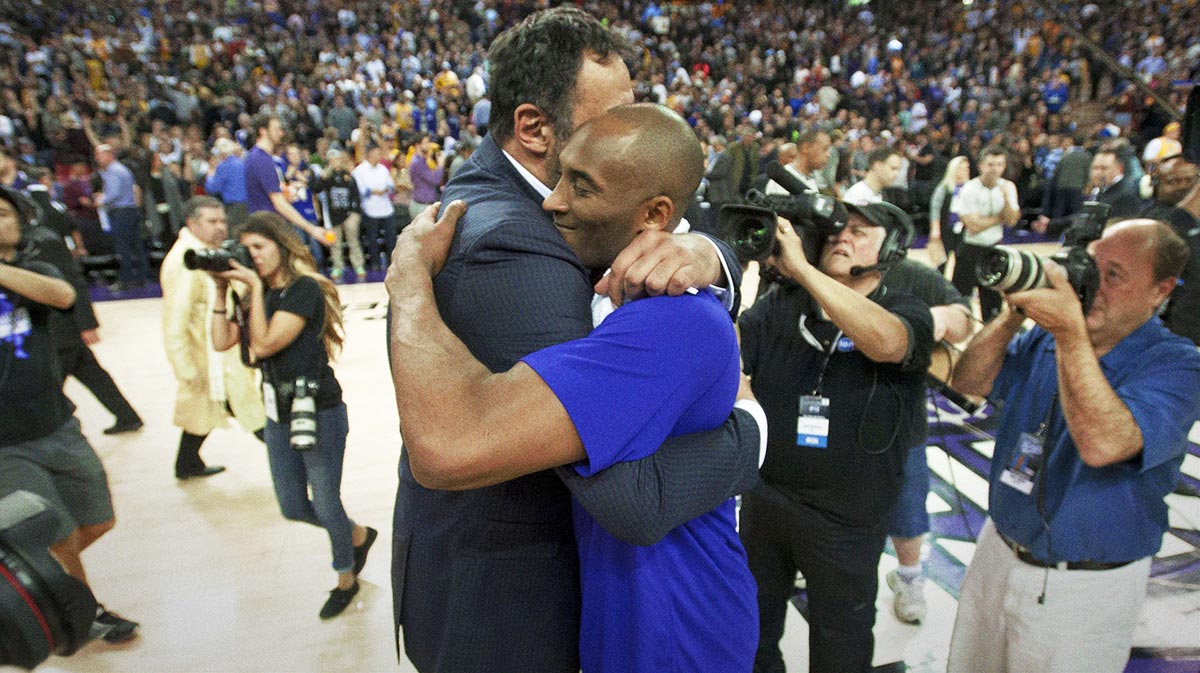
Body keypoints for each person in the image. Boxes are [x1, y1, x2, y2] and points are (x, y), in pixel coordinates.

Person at [390, 8, 761, 673]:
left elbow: (659, 200)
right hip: (506, 606)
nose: (623, 131)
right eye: (606, 119)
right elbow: (621, 490)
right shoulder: (519, 237)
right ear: (534, 126)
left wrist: (710, 252)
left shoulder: (560, 204)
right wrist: (752, 429)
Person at [946, 219, 1200, 673]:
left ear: (1159, 291)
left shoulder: (1178, 365)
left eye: (1115, 275)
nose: (1090, 284)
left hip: (1085, 587)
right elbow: (968, 380)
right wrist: (1011, 316)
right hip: (997, 550)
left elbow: (1104, 445)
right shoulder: (1044, 336)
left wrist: (1069, 334)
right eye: (1089, 266)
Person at [738, 201, 934, 673]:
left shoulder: (904, 307)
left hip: (847, 519)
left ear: (891, 249)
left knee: (840, 642)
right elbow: (729, 350)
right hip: (767, 500)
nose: (843, 237)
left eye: (861, 232)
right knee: (750, 628)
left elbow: (888, 342)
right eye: (838, 230)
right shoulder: (782, 306)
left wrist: (803, 270)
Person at [208, 211, 375, 619]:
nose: (253, 258)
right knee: (292, 506)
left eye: (259, 248)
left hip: (318, 409)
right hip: (279, 413)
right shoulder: (253, 293)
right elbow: (221, 341)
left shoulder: (304, 291)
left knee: (326, 501)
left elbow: (262, 345)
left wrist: (252, 290)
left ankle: (345, 577)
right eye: (246, 250)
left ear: (281, 247)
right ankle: (357, 534)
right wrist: (220, 291)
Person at [0, 185, 139, 643]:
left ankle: (24, 576)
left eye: (4, 214)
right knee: (56, 531)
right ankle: (83, 613)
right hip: (7, 442)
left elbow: (61, 295)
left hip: (58, 423)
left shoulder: (32, 271)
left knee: (98, 519)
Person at [880, 253, 974, 623]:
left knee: (908, 502)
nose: (847, 236)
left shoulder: (910, 274)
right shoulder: (819, 266)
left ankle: (909, 576)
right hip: (833, 413)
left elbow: (963, 318)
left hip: (900, 416)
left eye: (861, 229)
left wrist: (937, 320)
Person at [21, 170, 143, 435]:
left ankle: (47, 431)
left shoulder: (40, 240)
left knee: (50, 386)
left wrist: (87, 323)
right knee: (90, 372)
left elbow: (73, 281)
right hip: (62, 328)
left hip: (59, 328)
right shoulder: (33, 237)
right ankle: (127, 415)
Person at [160, 196, 265, 479]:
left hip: (218, 354)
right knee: (255, 415)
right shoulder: (187, 262)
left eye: (222, 221)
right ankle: (297, 467)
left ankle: (187, 463)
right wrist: (183, 367)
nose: (220, 228)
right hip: (209, 358)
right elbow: (175, 321)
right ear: (192, 223)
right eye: (212, 222)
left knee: (203, 413)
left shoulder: (205, 252)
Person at [951, 146, 1021, 321]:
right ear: (981, 165)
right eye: (991, 164)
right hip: (970, 248)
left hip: (994, 248)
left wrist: (1005, 200)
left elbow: (1012, 220)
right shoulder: (969, 188)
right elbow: (973, 225)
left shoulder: (1008, 187)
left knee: (993, 301)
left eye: (999, 164)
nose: (995, 169)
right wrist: (1000, 218)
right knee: (960, 297)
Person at [243, 114, 332, 247]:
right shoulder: (261, 159)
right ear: (263, 131)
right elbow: (277, 201)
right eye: (277, 129)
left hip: (266, 225)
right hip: (267, 227)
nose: (281, 133)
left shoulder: (257, 157)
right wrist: (311, 229)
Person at [1036, 149, 1147, 238]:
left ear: (1119, 169)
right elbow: (1083, 217)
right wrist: (1052, 224)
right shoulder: (1103, 190)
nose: (1098, 173)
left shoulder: (1126, 193)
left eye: (1104, 168)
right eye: (1095, 168)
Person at [94, 143, 149, 288]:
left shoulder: (114, 171)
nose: (97, 158)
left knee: (123, 246)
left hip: (121, 211)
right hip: (130, 210)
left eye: (99, 155)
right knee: (136, 245)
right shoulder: (122, 169)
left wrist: (100, 200)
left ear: (108, 155)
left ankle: (126, 279)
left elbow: (114, 194)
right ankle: (142, 277)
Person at [312, 149, 366, 281]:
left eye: (336, 160)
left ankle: (358, 265)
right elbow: (315, 188)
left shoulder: (347, 176)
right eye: (332, 160)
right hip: (333, 215)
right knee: (334, 242)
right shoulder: (326, 177)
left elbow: (356, 194)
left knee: (353, 240)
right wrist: (323, 177)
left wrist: (355, 212)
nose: (335, 163)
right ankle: (337, 266)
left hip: (348, 213)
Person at [351, 144, 397, 270]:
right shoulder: (359, 171)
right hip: (370, 208)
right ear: (369, 154)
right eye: (376, 153)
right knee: (372, 238)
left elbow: (391, 185)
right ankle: (375, 264)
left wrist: (386, 189)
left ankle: (391, 262)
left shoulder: (383, 169)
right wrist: (373, 191)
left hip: (386, 207)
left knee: (391, 237)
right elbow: (358, 190)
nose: (379, 156)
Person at [927, 155, 971, 270]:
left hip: (965, 228)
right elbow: (935, 209)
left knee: (962, 260)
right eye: (960, 168)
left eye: (966, 168)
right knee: (942, 261)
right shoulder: (944, 187)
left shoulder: (971, 188)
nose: (963, 172)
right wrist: (935, 229)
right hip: (946, 228)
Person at [204, 138, 248, 230]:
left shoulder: (223, 166)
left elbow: (213, 188)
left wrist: (210, 176)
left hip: (233, 206)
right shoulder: (240, 162)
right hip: (246, 204)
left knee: (234, 233)